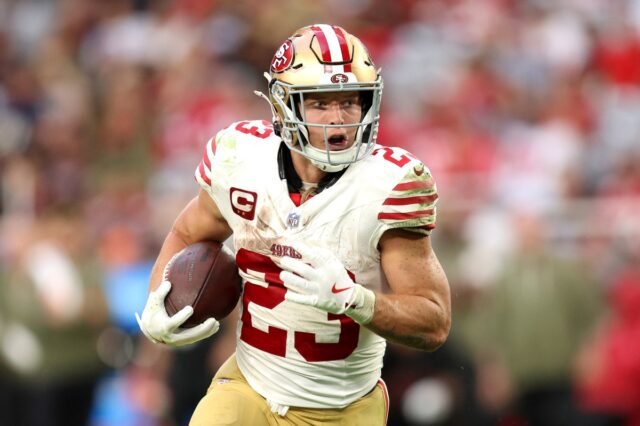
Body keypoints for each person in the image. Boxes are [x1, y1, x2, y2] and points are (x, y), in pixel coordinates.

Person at [137, 24, 451, 425]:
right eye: (320, 104)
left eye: (349, 102)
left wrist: (354, 299)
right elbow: (187, 232)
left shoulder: (389, 184)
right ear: (284, 106)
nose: (338, 120)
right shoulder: (240, 158)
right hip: (249, 388)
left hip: (342, 407)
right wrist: (157, 300)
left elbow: (434, 321)